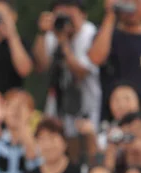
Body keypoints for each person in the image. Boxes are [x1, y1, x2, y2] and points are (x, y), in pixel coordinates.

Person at [33, 0, 101, 163]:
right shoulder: (52, 34)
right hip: (59, 104)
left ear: (83, 15)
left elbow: (81, 71)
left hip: (87, 104)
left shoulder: (90, 33)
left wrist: (63, 41)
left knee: (85, 151)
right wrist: (42, 33)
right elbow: (41, 65)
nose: (65, 19)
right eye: (60, 13)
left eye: (70, 13)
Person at [89, 0, 141, 118]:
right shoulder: (108, 34)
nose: (132, 6)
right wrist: (110, 15)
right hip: (112, 117)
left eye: (137, 1)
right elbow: (95, 58)